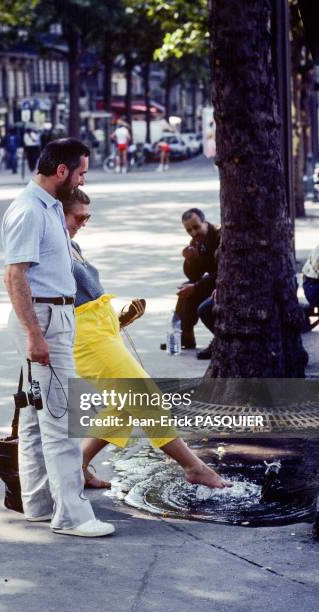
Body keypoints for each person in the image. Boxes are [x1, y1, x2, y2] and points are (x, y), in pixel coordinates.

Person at [62, 188, 232, 491]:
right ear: (57, 212)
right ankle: (194, 467)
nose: (84, 222)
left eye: (88, 216)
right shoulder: (51, 247)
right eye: (79, 216)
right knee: (144, 396)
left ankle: (78, 465)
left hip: (102, 329)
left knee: (124, 405)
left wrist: (119, 318)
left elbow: (83, 296)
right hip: (85, 336)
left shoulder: (71, 243)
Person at [1, 138, 115, 538]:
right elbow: (15, 275)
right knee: (61, 419)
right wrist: (35, 333)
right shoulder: (30, 210)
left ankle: (39, 504)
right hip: (45, 317)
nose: (84, 178)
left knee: (36, 416)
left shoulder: (47, 207)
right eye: (81, 171)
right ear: (62, 171)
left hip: (52, 314)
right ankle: (73, 517)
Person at [175, 208, 220, 350]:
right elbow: (194, 276)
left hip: (223, 283)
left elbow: (222, 273)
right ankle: (186, 336)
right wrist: (190, 260)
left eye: (196, 227)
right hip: (213, 283)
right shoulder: (196, 241)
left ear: (204, 222)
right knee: (185, 288)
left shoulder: (220, 236)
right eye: (189, 230)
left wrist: (196, 287)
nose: (193, 233)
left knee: (198, 299)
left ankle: (221, 340)